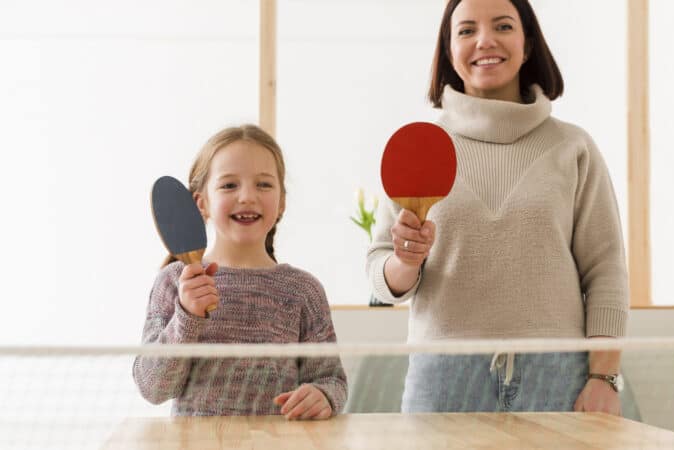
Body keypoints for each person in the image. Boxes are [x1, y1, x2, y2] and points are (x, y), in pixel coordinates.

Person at [367, 0, 629, 414]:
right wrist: (405, 261)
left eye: (502, 26)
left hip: (557, 372)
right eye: (467, 30)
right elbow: (383, 272)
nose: (485, 40)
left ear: (527, 46)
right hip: (443, 374)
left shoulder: (573, 147)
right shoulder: (421, 149)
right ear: (449, 51)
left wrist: (604, 378)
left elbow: (606, 269)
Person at [134, 124, 347, 418]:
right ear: (201, 203)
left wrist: (323, 396)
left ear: (282, 202)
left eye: (263, 184)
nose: (247, 196)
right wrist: (186, 316)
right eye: (229, 185)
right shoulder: (173, 282)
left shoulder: (303, 290)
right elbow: (152, 387)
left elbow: (331, 379)